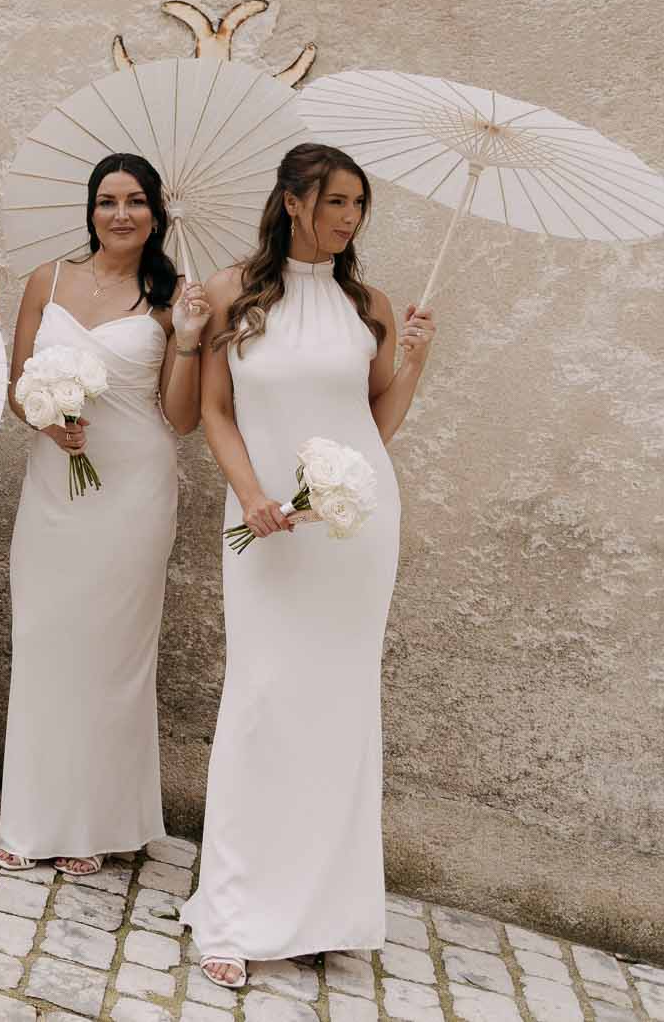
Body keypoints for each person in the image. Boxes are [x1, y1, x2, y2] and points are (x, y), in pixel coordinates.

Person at [180, 143, 436, 989]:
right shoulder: (229, 293)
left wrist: (415, 365)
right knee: (261, 700)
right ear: (293, 201)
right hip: (263, 526)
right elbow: (215, 410)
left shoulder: (370, 305)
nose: (351, 218)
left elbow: (372, 424)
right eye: (337, 201)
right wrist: (251, 493)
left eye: (359, 205)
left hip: (353, 534)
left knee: (338, 706)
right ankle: (236, 909)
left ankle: (319, 908)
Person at [0, 153, 208, 874]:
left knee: (111, 653)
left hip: (134, 489)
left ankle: (94, 821)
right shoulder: (46, 281)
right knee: (45, 636)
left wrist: (188, 338)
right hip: (54, 484)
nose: (121, 214)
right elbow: (15, 388)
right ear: (90, 210)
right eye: (108, 200)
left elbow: (180, 418)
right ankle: (33, 813)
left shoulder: (172, 295)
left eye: (136, 201)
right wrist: (49, 420)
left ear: (156, 214)